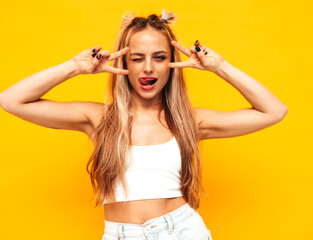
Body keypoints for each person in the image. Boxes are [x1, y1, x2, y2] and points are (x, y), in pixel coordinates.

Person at [0, 9, 288, 240]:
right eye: (137, 58)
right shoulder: (100, 119)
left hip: (182, 231)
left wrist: (220, 67)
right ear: (125, 64)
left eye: (159, 58)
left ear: (171, 65)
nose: (148, 68)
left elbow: (274, 111)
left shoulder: (188, 121)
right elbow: (11, 100)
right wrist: (74, 67)